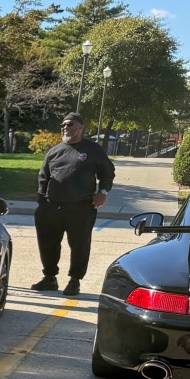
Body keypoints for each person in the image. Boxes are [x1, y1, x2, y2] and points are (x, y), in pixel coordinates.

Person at [33, 112, 114, 295]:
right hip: (51, 206)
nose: (65, 128)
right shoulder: (55, 151)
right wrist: (42, 202)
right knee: (47, 244)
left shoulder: (92, 150)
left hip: (80, 208)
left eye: (69, 124)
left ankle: (74, 280)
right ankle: (50, 278)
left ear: (80, 128)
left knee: (79, 245)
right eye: (63, 125)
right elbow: (43, 177)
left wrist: (102, 192)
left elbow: (107, 172)